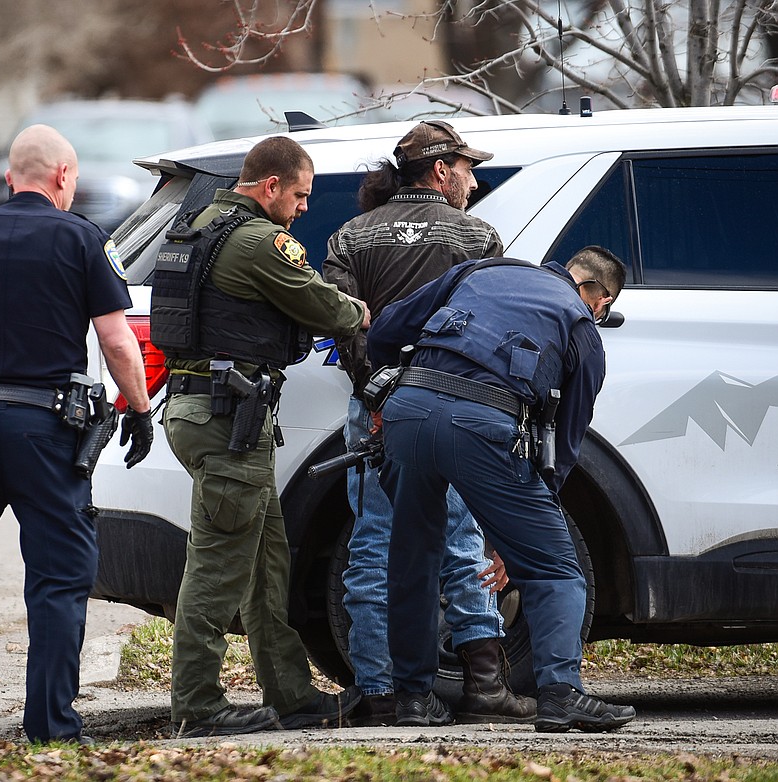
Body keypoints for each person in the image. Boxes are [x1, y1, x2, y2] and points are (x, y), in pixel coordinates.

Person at [0, 124, 153, 744]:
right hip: (48, 431)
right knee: (59, 576)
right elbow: (117, 339)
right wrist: (140, 410)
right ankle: (50, 725)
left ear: (12, 178)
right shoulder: (81, 239)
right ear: (64, 177)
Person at [366, 245, 637, 732]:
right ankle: (561, 693)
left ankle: (411, 699)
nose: (601, 314)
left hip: (407, 416)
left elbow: (385, 330)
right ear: (594, 293)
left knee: (412, 557)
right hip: (483, 426)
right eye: (608, 305)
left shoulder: (479, 272)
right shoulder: (580, 327)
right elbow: (564, 445)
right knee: (554, 567)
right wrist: (520, 536)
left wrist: (382, 400)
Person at [154, 136, 370, 738]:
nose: (304, 207)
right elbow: (326, 309)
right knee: (219, 566)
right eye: (300, 195)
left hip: (206, 413)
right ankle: (197, 705)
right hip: (227, 422)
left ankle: (293, 695)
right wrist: (362, 313)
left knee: (264, 563)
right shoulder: (258, 241)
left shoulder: (201, 224)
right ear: (270, 185)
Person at [322, 120, 533, 726]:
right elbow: (489, 328)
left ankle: (380, 692)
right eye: (468, 168)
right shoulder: (475, 237)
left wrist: (377, 393)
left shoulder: (351, 236)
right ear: (441, 171)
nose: (473, 179)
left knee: (374, 549)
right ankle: (485, 688)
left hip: (379, 414)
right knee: (461, 545)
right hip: (453, 410)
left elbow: (343, 325)